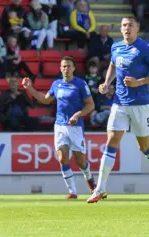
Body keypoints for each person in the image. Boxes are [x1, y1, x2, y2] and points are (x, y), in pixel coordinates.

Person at [87, 16, 149, 203]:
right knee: (111, 141)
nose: (126, 28)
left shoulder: (145, 48)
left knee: (144, 146)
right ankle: (100, 188)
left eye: (130, 25)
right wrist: (107, 83)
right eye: (124, 25)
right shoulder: (116, 47)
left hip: (140, 104)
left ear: (137, 29)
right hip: (119, 103)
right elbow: (113, 65)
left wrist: (140, 82)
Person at [23, 57, 97, 198]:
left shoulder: (80, 84)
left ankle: (91, 182)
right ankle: (72, 191)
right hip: (60, 126)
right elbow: (45, 99)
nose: (66, 69)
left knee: (80, 161)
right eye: (63, 66)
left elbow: (90, 105)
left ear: (74, 68)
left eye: (69, 66)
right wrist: (30, 89)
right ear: (60, 68)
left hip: (75, 127)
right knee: (62, 158)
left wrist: (78, 114)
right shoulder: (56, 84)